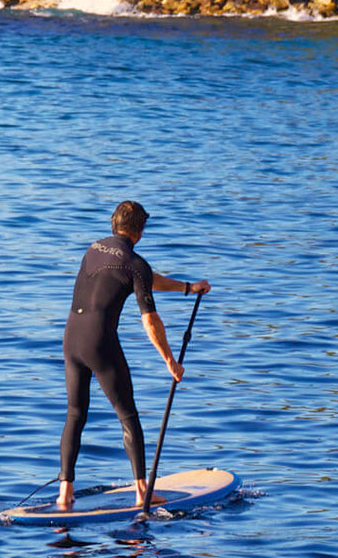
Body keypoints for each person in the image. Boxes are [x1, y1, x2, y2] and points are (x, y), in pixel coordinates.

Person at [57, 200, 211, 510]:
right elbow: (150, 319)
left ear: (114, 224)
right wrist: (169, 360)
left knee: (75, 414)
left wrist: (186, 288)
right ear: (139, 232)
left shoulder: (94, 248)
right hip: (100, 342)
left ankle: (64, 493)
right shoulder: (134, 263)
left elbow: (141, 277)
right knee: (128, 416)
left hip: (71, 337)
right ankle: (143, 491)